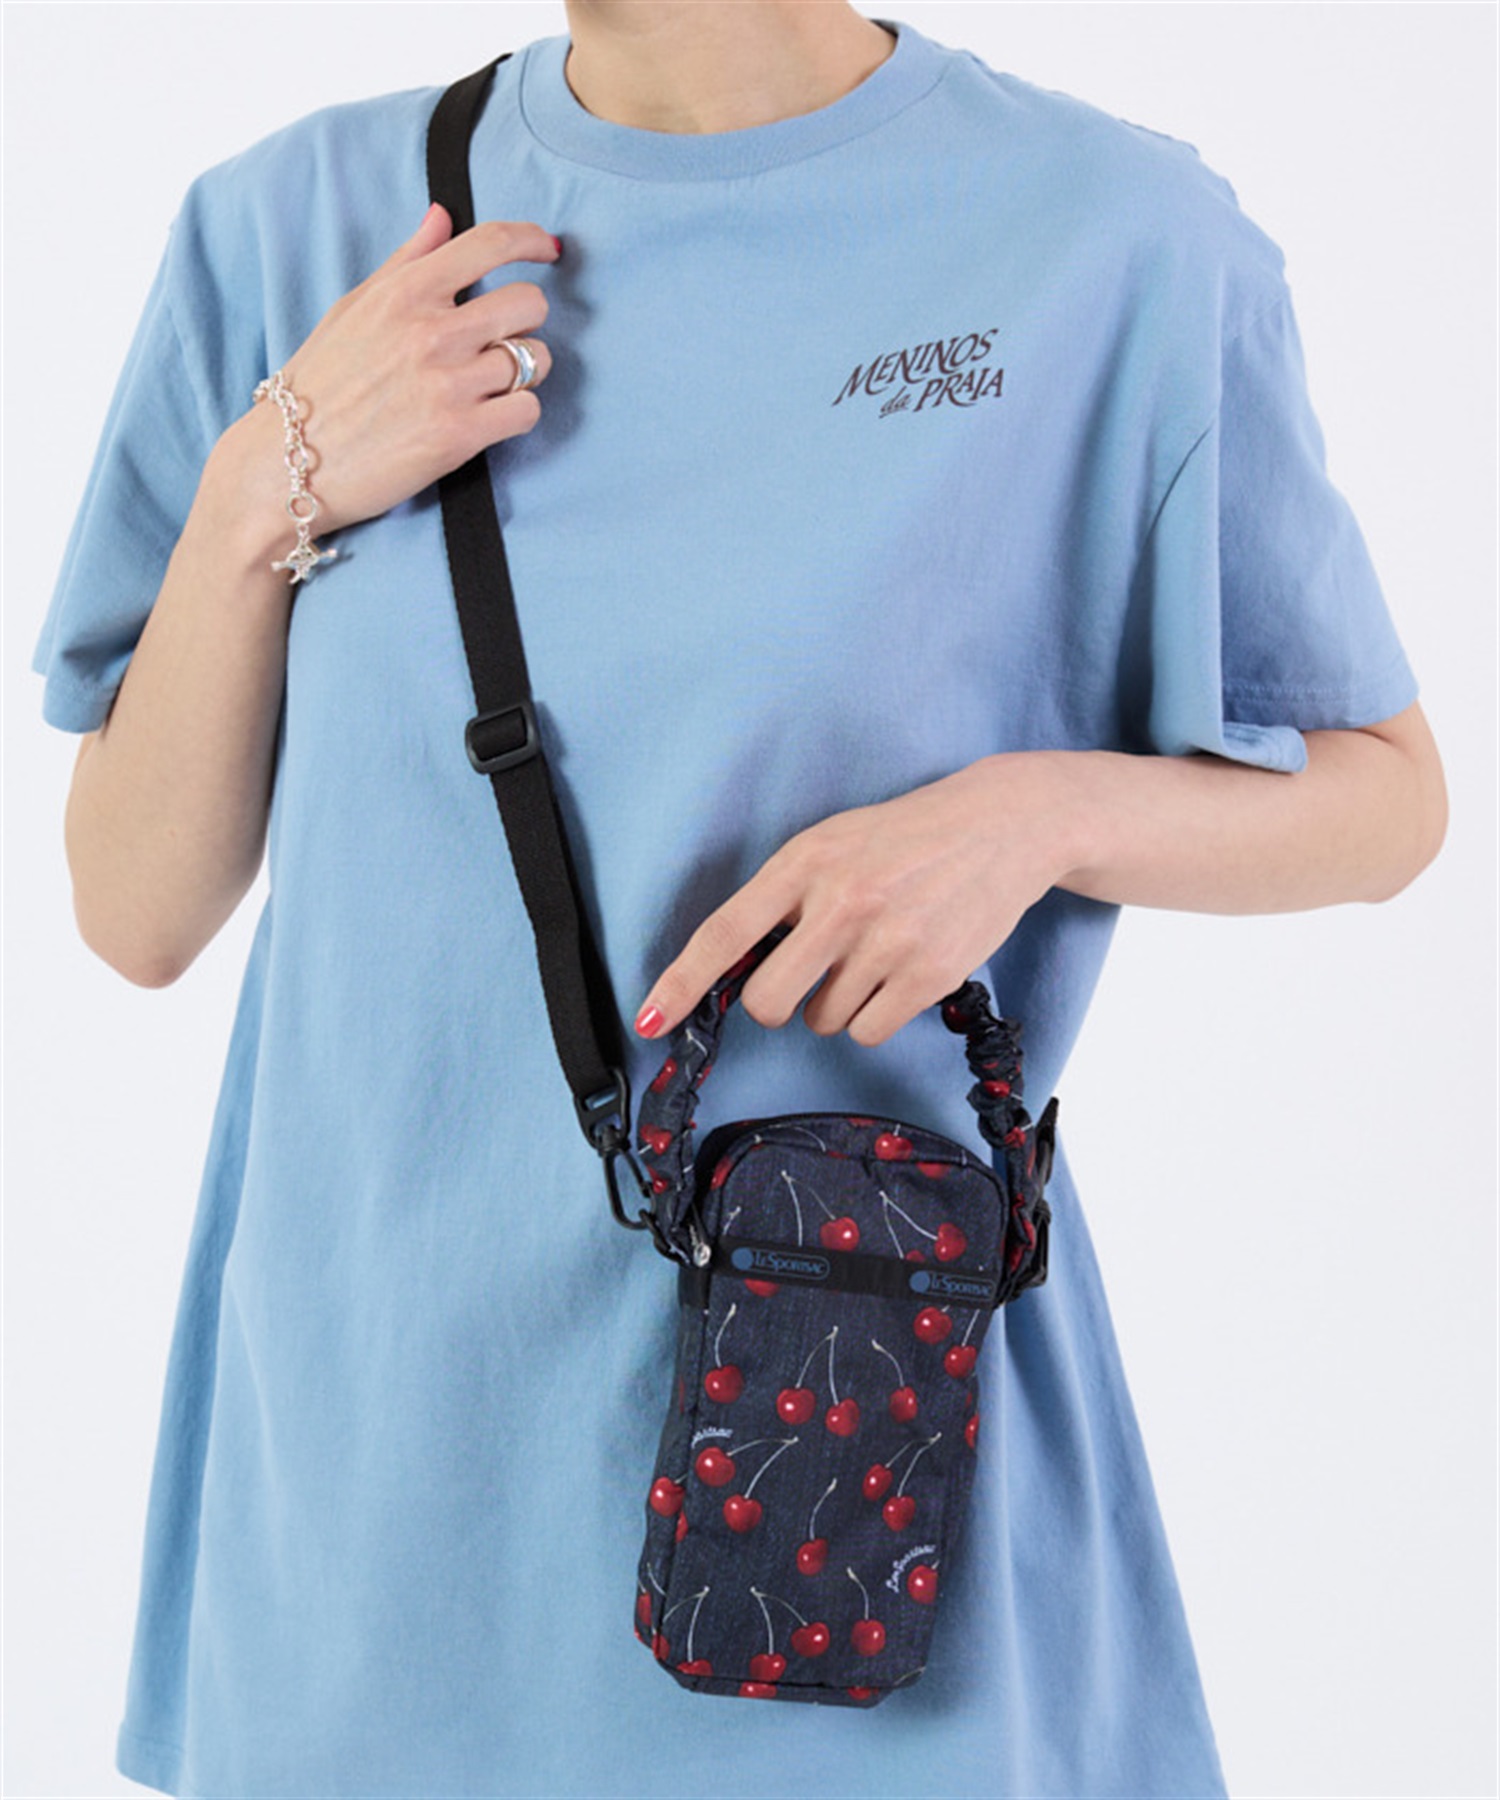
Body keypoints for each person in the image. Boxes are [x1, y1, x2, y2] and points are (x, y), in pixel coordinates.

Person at [30, 3, 1447, 1796]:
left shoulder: (1117, 241)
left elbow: (1384, 799)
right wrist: (271, 474)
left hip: (851, 1485)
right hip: (379, 1507)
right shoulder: (293, 228)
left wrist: (1033, 817)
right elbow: (135, 907)